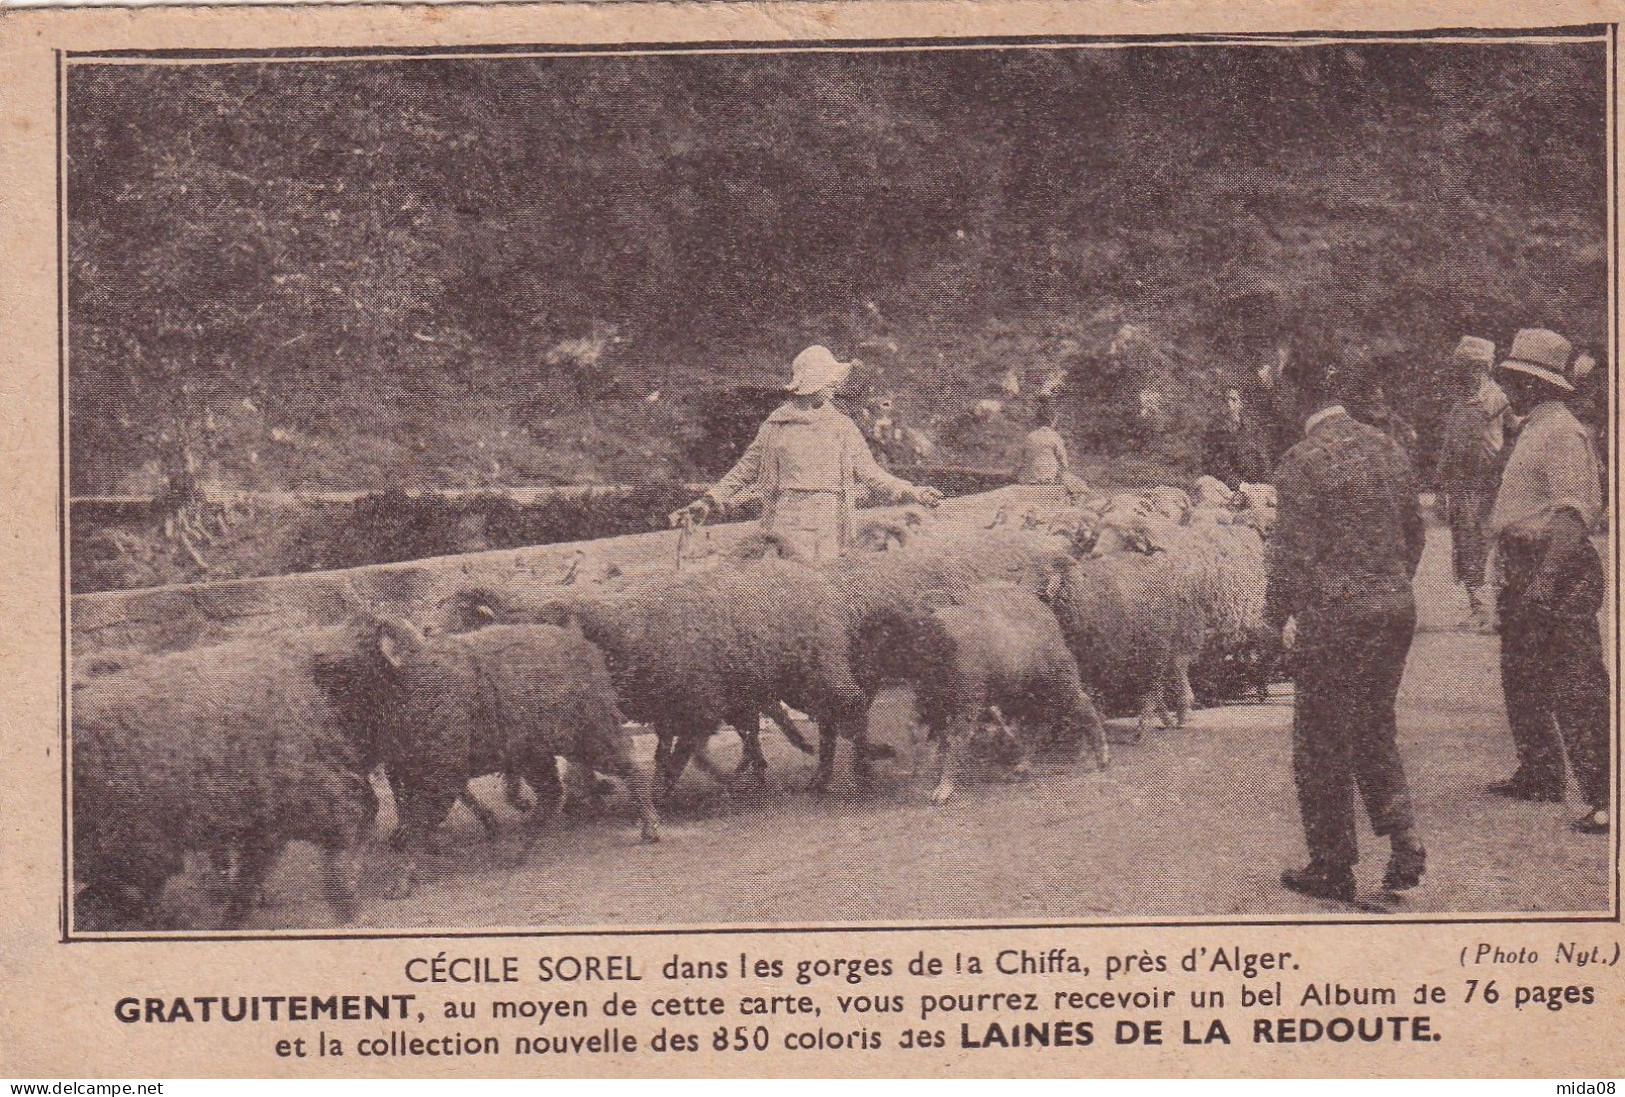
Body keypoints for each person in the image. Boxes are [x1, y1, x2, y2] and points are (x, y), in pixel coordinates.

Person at [1264, 342, 1428, 902]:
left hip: (1338, 616)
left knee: (1320, 740)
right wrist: (1388, 583)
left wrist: (1272, 621)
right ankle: (1403, 837)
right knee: (1374, 725)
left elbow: (1291, 557)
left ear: (1297, 396)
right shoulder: (1389, 447)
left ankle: (1332, 867)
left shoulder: (1300, 461)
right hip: (1393, 607)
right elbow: (1414, 535)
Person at [1484, 329, 1610, 835]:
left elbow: (1573, 517)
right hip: (1525, 564)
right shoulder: (1533, 428)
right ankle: (1540, 772)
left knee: (1574, 681)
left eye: (1519, 380)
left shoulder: (1562, 432)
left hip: (1554, 566)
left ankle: (1604, 793)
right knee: (1522, 673)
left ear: (1541, 386)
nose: (1512, 388)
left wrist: (1543, 585)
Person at [673, 345, 943, 561]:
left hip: (830, 521)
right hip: (785, 519)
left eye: (833, 382)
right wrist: (709, 500)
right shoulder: (776, 425)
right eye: (828, 381)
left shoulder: (841, 426)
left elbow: (871, 474)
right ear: (812, 382)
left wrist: (913, 491)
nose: (834, 388)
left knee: (824, 586)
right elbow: (744, 470)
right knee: (787, 586)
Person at [1434, 336, 1515, 630]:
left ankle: (1494, 610)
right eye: (1463, 368)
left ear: (1483, 367)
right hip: (1461, 484)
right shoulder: (1460, 403)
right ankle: (1478, 607)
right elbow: (1448, 448)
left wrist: (1504, 466)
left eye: (1471, 367)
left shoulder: (1498, 399)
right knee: (1465, 543)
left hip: (1488, 482)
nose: (1466, 373)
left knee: (1490, 543)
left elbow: (1516, 434)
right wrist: (1442, 487)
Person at [1016, 397, 1088, 498]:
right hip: (1048, 478)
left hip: (1029, 477)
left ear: (1037, 421)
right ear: (1052, 421)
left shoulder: (1029, 437)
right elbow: (1063, 461)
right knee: (1081, 487)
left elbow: (1021, 460)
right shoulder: (1054, 436)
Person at [1202, 385, 1271, 490]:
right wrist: (1238, 484)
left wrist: (1265, 482)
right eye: (1227, 400)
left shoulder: (1252, 427)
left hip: (1254, 482)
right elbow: (1216, 463)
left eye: (1234, 400)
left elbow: (1261, 456)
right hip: (1226, 485)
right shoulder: (1217, 429)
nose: (1230, 404)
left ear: (1241, 404)